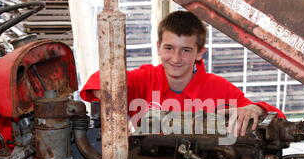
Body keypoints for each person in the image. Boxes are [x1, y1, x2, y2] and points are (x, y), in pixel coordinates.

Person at [81, 10, 285, 136]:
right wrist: (118, 115)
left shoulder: (218, 88)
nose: (176, 58)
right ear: (159, 47)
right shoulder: (145, 78)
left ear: (199, 53)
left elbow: (277, 118)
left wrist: (255, 108)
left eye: (186, 50)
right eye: (169, 48)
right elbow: (100, 81)